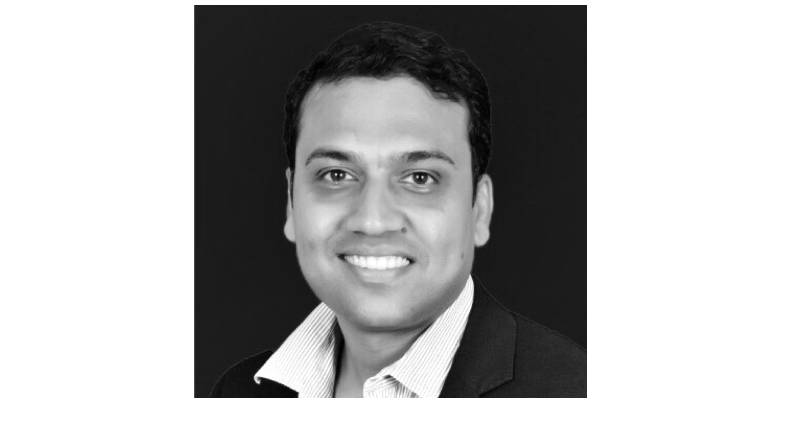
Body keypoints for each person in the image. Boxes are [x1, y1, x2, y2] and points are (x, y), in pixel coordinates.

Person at [211, 21, 586, 398]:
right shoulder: (238, 394)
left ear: (480, 210)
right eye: (337, 174)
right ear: (292, 202)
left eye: (420, 178)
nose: (373, 221)